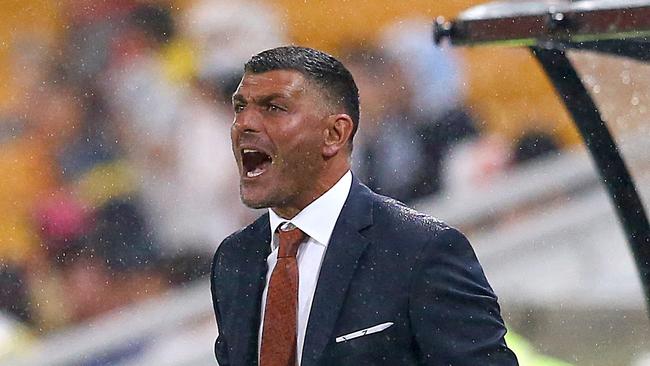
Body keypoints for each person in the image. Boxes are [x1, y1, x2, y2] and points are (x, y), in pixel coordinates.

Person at [210, 46, 518, 366]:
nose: (244, 124)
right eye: (240, 107)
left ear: (334, 133)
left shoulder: (420, 250)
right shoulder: (234, 259)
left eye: (273, 107)